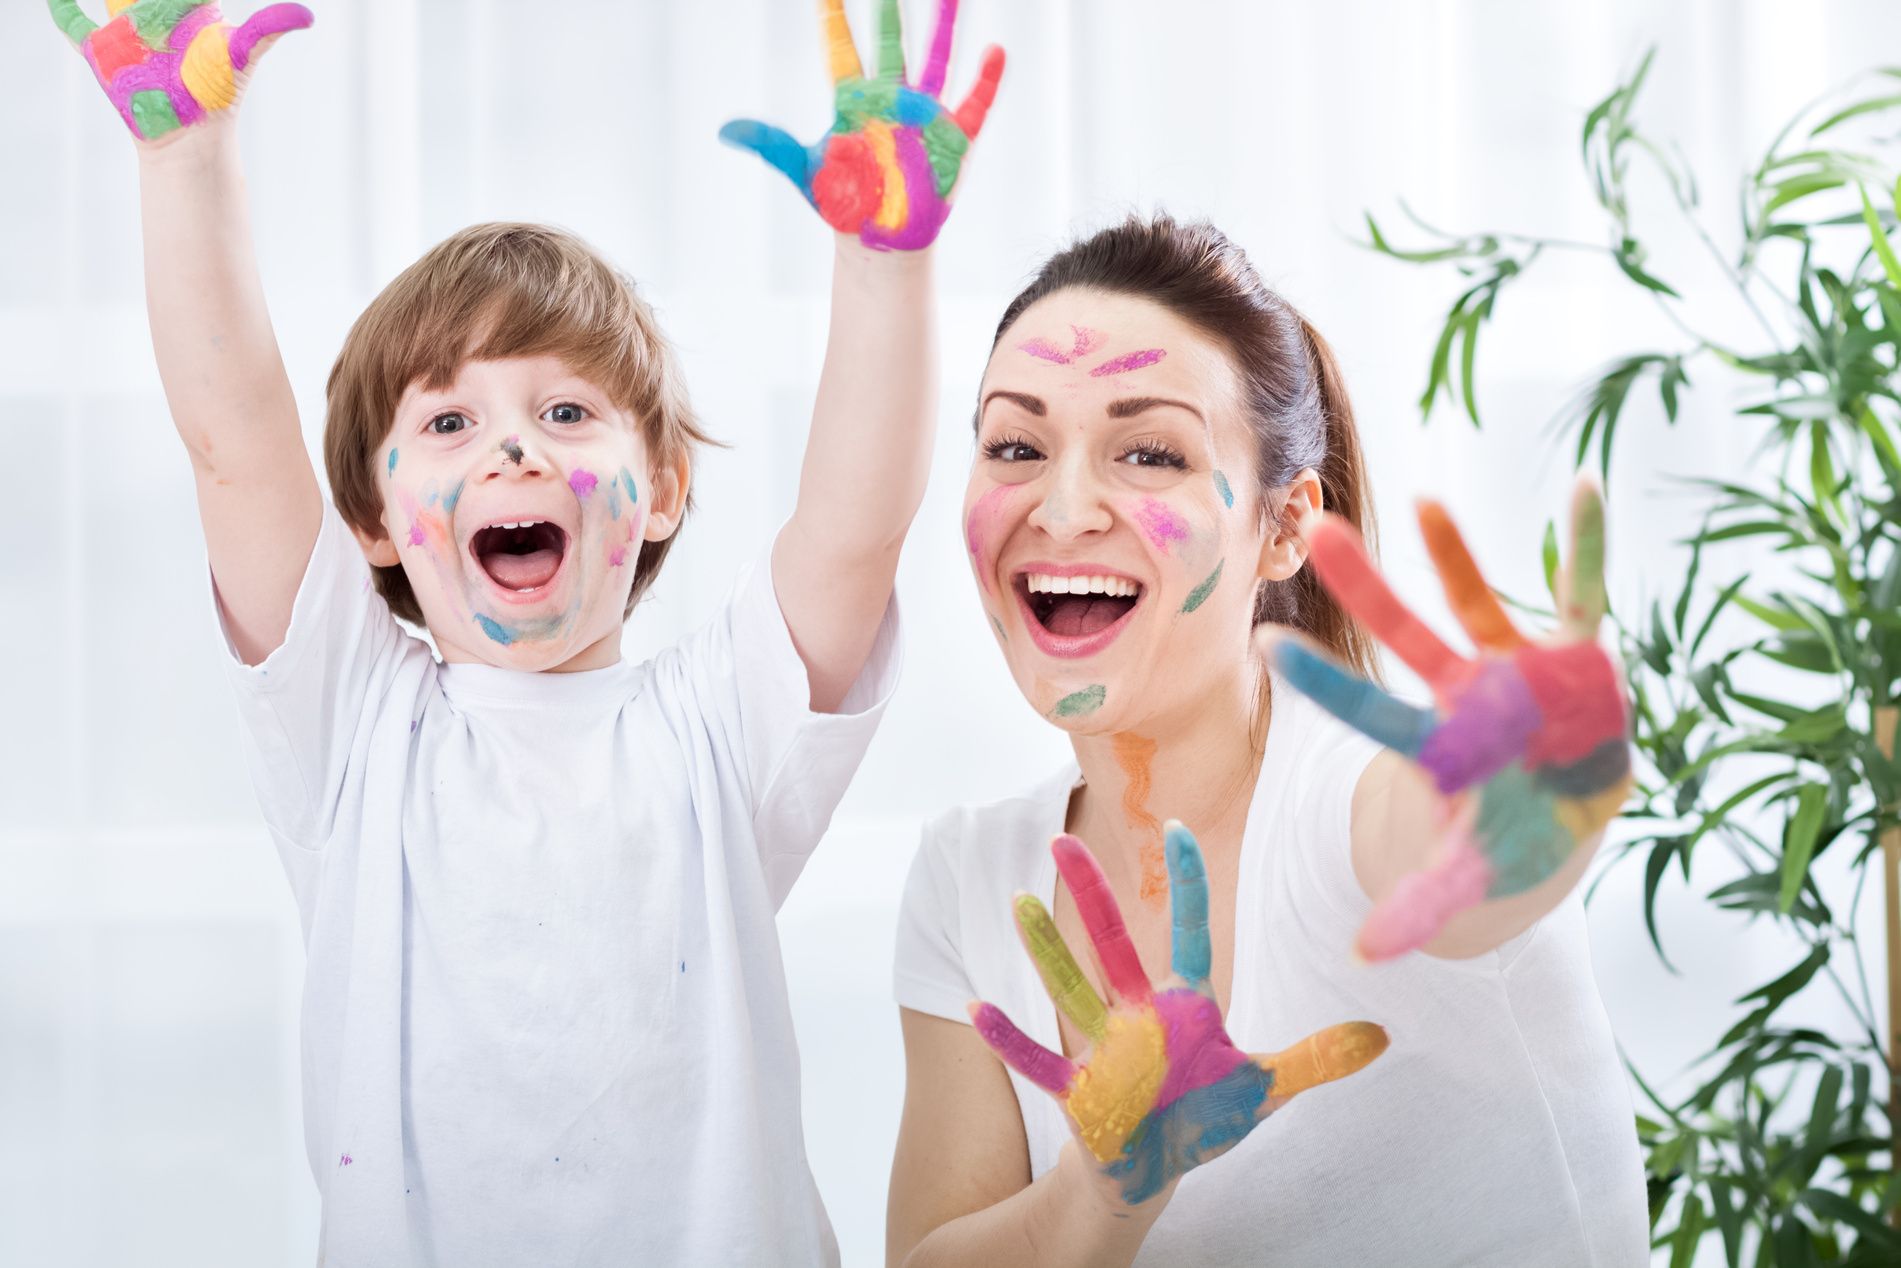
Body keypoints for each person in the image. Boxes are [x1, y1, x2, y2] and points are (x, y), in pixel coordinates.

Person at [48, 0, 1000, 1262]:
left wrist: (883, 266)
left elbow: (852, 529)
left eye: (564, 411)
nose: (510, 444)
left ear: (658, 490)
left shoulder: (720, 724)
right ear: (373, 524)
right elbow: (233, 444)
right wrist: (180, 157)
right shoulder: (349, 716)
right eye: (447, 424)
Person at [887, 215, 1649, 1266]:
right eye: (1014, 445)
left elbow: (1444, 852)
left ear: (1285, 528)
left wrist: (1523, 799)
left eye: (1148, 452)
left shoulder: (1347, 797)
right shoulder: (967, 877)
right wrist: (1099, 1196)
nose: (1060, 510)